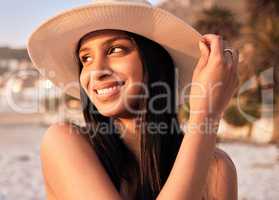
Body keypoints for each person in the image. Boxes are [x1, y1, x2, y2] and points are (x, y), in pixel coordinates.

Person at [27, 0, 239, 199]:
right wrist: (205, 116)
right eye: (86, 59)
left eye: (115, 50)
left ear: (155, 61)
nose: (96, 71)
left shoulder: (216, 168)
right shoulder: (63, 142)